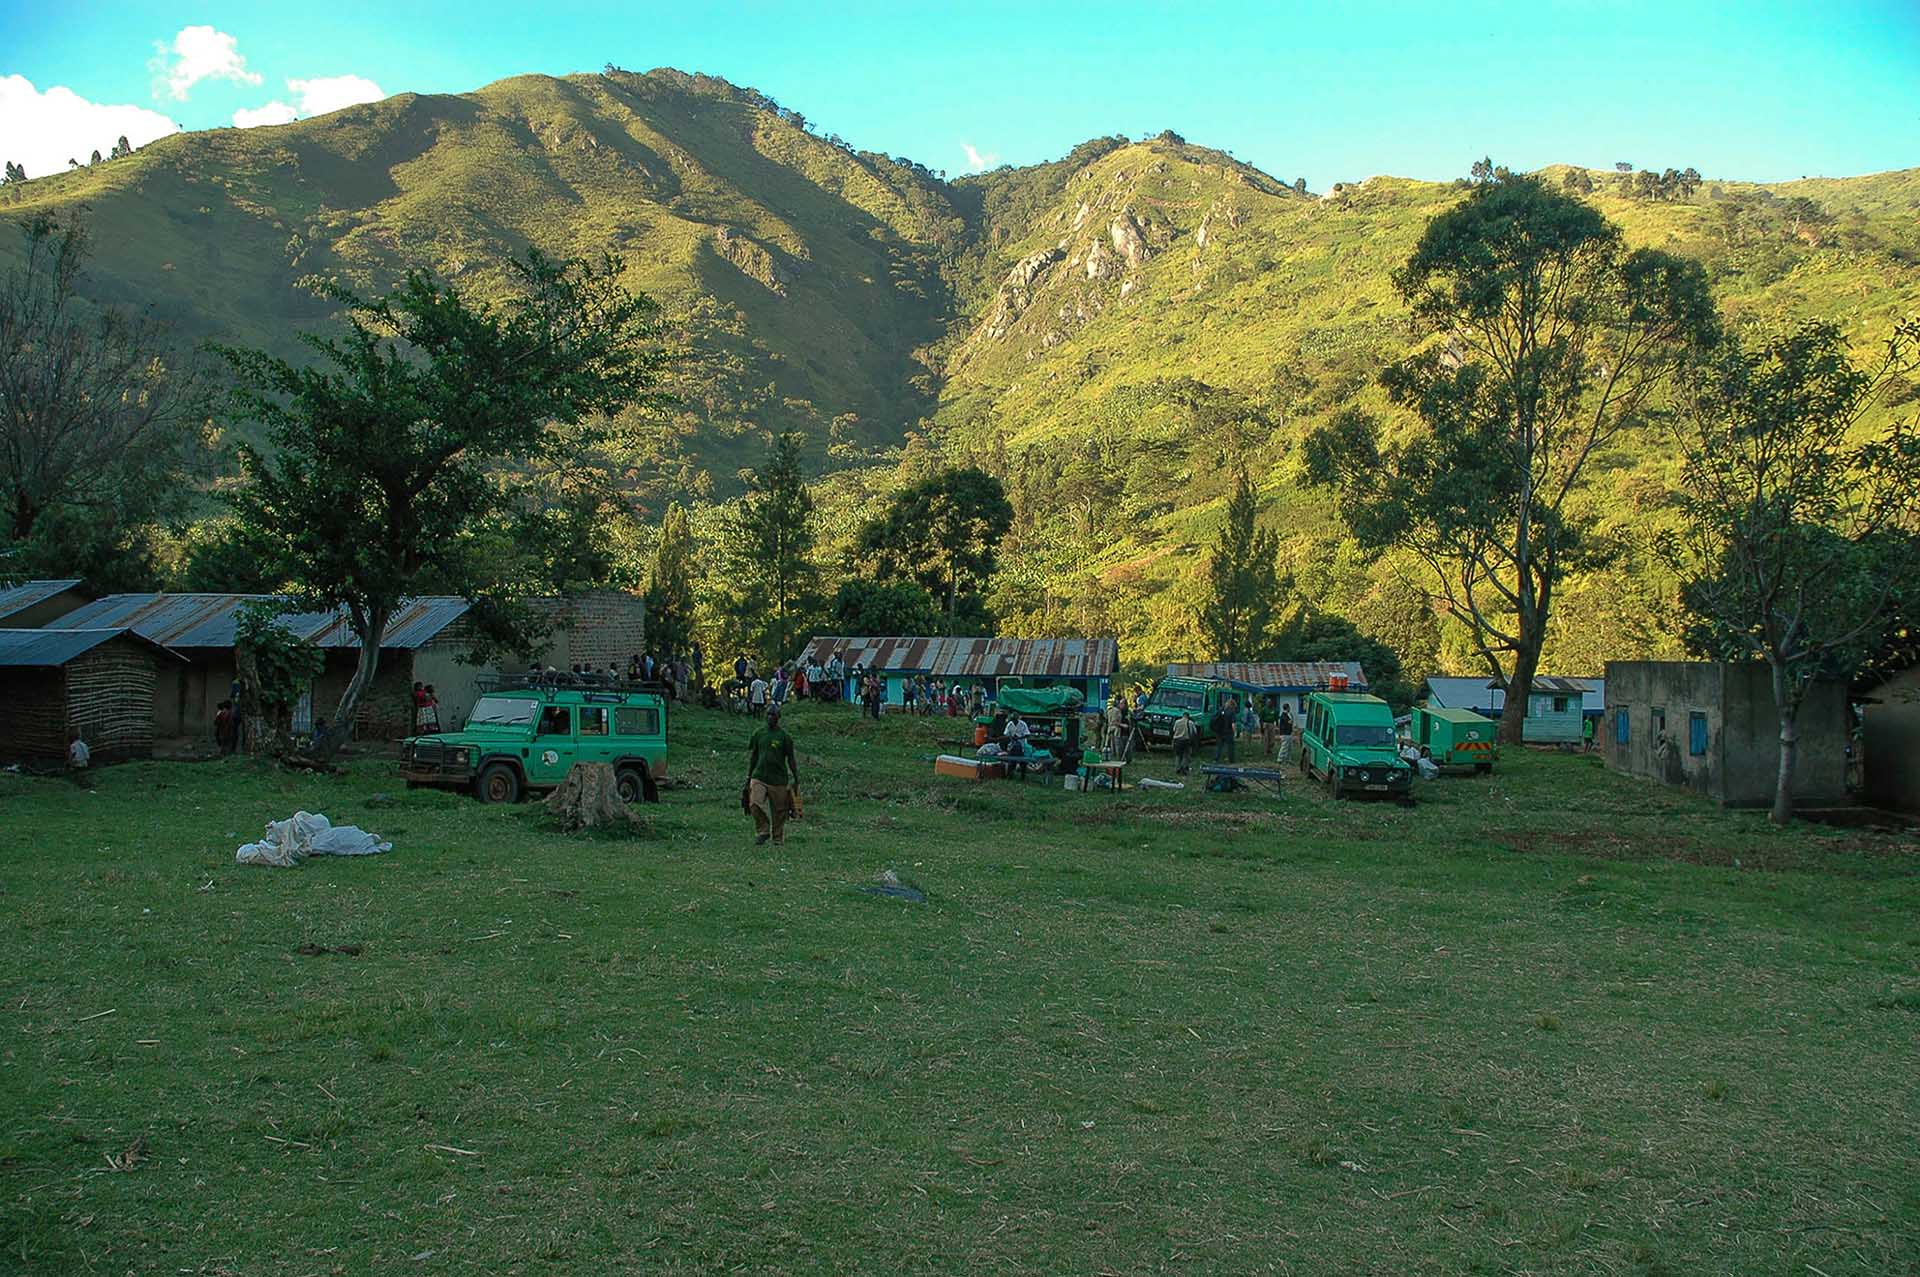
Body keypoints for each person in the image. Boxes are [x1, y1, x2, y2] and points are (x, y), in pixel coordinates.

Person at [747, 706, 801, 845]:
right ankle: (763, 830)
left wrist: (796, 777)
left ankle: (777, 838)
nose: (770, 717)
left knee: (779, 811)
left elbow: (791, 759)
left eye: (773, 715)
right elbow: (753, 756)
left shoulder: (784, 737)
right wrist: (748, 777)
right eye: (768, 714)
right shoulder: (758, 734)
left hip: (778, 779)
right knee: (754, 803)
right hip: (759, 775)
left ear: (778, 717)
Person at [1211, 697, 1237, 764]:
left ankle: (1216, 759)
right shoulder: (1232, 712)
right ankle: (1231, 760)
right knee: (1230, 746)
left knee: (1219, 746)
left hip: (1219, 731)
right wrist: (1235, 732)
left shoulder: (1220, 710)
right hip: (1228, 732)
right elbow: (1233, 724)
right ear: (1233, 705)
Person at [1171, 710, 1195, 775]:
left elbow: (1174, 730)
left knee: (1178, 755)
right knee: (1186, 755)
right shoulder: (1191, 723)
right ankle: (1184, 768)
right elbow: (1194, 732)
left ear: (1182, 716)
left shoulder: (1177, 722)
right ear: (1188, 717)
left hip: (1177, 740)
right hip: (1186, 740)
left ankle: (1177, 768)